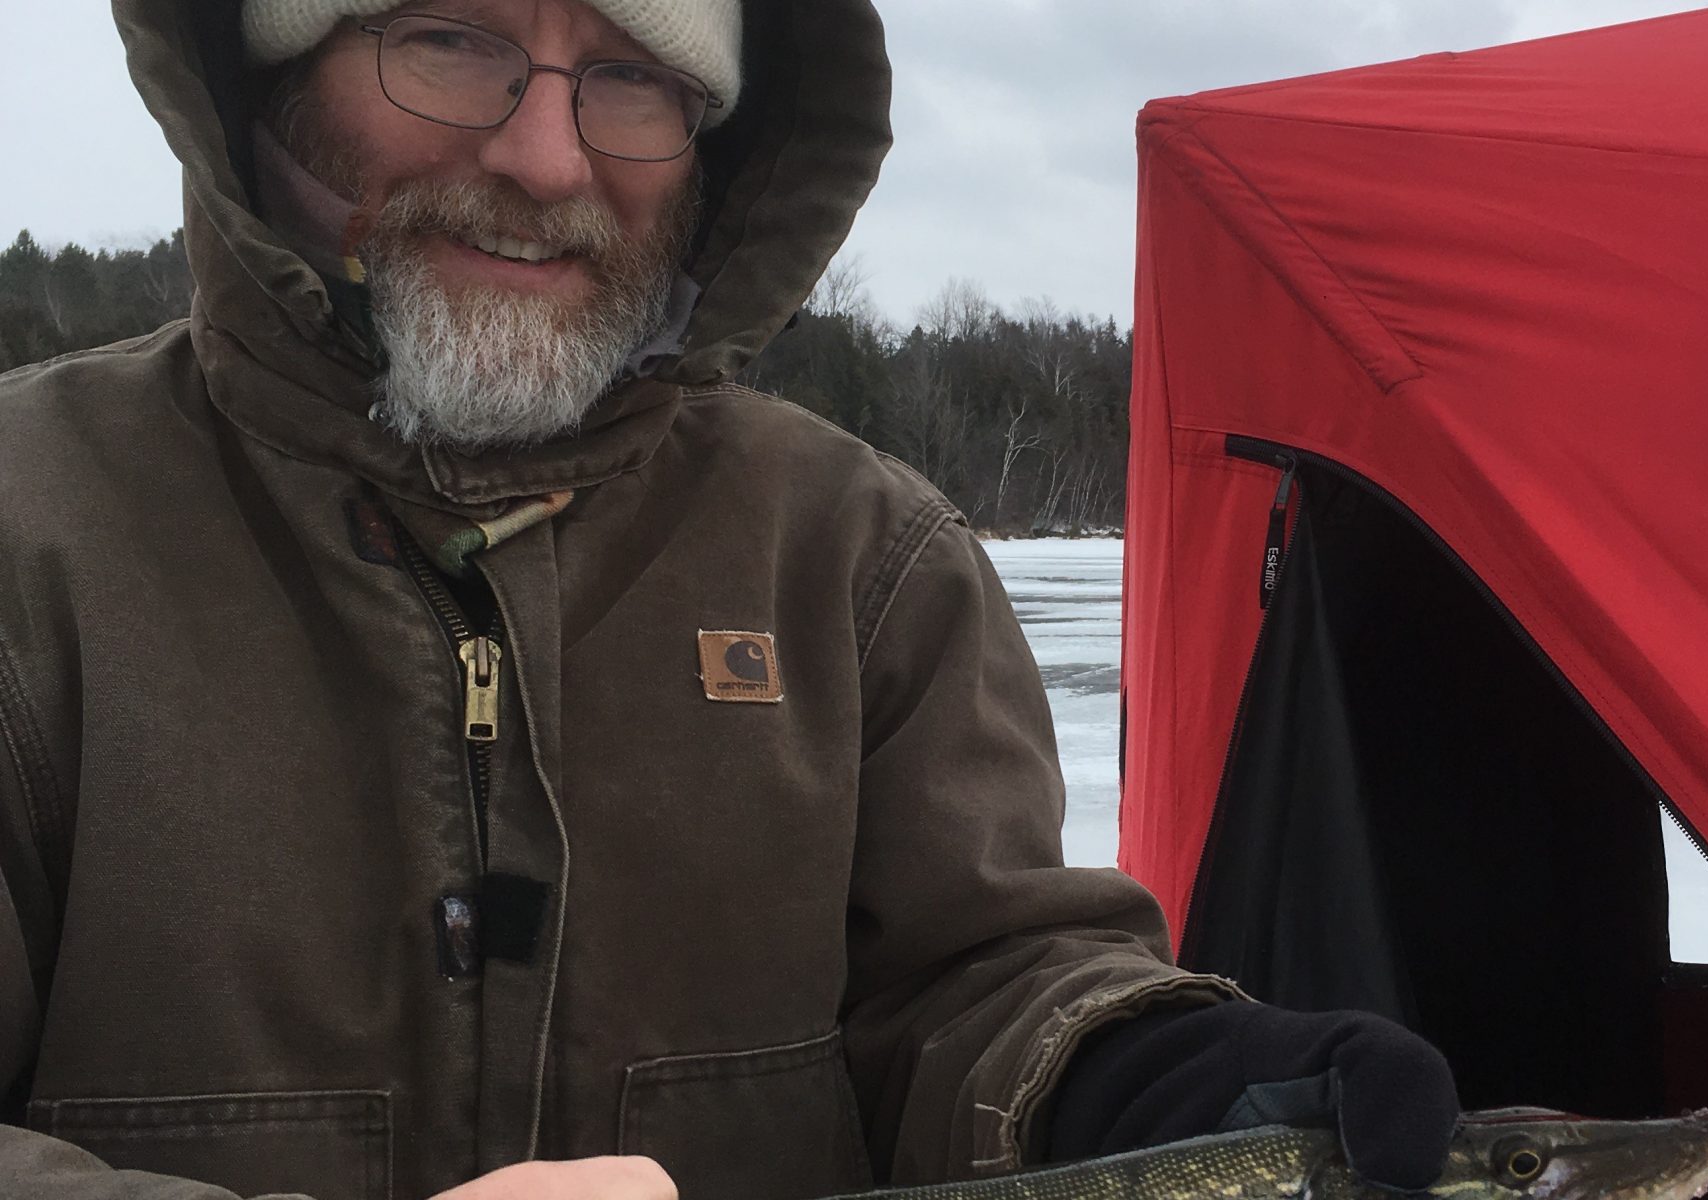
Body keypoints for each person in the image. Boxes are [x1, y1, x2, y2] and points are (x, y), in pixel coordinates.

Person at [0, 2, 1460, 1197]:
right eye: (450, 41)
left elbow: (971, 983)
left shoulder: (860, 553)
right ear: (268, 75)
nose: (547, 157)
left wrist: (1138, 1075)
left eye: (633, 78)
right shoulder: (28, 530)